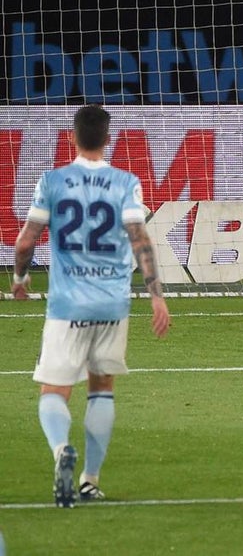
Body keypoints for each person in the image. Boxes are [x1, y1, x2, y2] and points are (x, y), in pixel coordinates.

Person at [10, 105, 170, 508]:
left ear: (72, 138)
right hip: (112, 304)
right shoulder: (125, 183)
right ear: (108, 139)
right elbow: (140, 239)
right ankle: (91, 480)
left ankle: (61, 448)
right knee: (102, 389)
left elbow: (26, 241)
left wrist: (20, 278)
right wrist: (156, 294)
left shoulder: (52, 181)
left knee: (54, 390)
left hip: (68, 304)